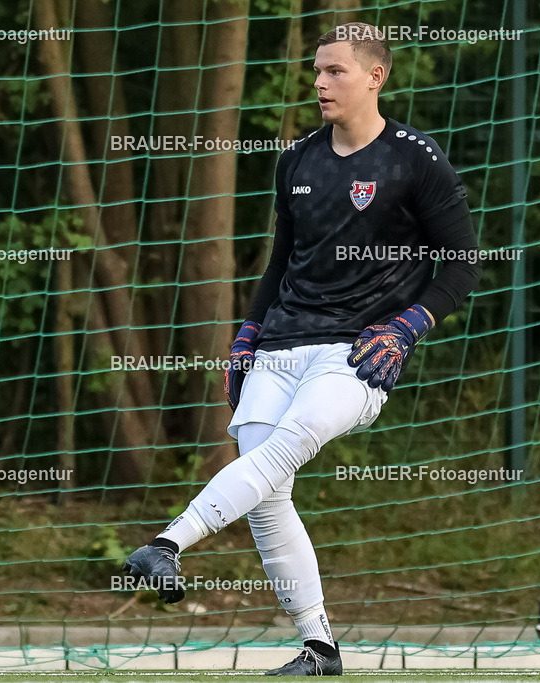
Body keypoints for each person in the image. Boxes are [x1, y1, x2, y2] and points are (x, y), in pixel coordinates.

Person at [121, 22, 482, 676]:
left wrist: (405, 327)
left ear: (376, 76)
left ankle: (166, 542)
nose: (319, 82)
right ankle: (320, 647)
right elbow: (282, 260)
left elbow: (461, 265)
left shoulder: (416, 159)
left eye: (335, 71)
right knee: (268, 491)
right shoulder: (298, 159)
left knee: (286, 444)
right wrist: (249, 333)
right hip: (281, 343)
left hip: (355, 355)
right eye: (317, 70)